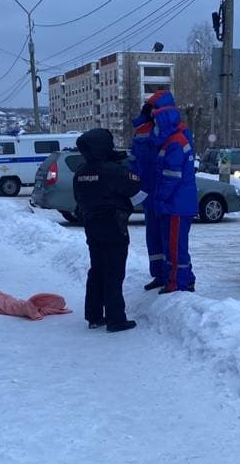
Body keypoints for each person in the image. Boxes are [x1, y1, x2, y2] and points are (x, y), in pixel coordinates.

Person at [73, 128, 144, 333]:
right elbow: (136, 191)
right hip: (113, 225)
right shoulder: (113, 170)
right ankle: (116, 319)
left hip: (91, 225)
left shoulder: (81, 172)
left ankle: (94, 315)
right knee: (114, 271)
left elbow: (78, 199)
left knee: (97, 269)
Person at [150, 91, 198, 293]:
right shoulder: (172, 139)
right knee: (172, 245)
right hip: (175, 203)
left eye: (155, 117)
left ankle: (179, 283)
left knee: (176, 247)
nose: (153, 123)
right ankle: (180, 280)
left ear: (163, 117)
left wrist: (160, 198)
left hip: (176, 204)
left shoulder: (175, 142)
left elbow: (171, 176)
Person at [129, 93, 166, 290]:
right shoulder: (141, 131)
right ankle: (158, 274)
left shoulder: (170, 131)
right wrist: (133, 182)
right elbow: (133, 160)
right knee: (153, 236)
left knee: (169, 237)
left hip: (165, 193)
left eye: (155, 108)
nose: (152, 112)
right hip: (148, 192)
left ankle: (171, 275)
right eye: (150, 108)